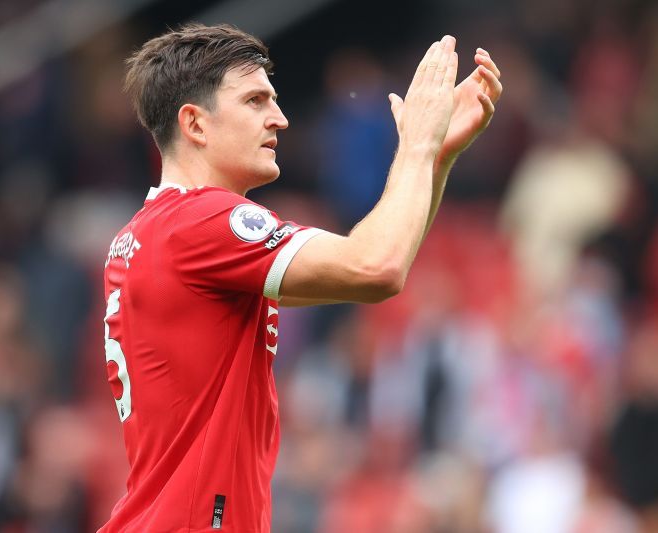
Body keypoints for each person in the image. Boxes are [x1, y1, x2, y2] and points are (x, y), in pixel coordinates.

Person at [99, 23, 502, 532]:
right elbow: (374, 267)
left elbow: (377, 262)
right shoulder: (201, 224)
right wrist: (418, 144)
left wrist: (435, 159)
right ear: (195, 124)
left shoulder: (149, 235)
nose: (280, 119)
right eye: (254, 101)